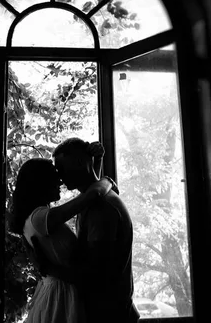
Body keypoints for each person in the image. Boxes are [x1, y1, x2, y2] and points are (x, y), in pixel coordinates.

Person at [10, 154, 114, 323]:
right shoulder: (40, 218)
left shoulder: (34, 218)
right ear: (41, 183)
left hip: (57, 292)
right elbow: (92, 194)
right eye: (54, 178)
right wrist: (108, 180)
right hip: (62, 296)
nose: (60, 182)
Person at [53, 137, 140, 323]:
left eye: (61, 168)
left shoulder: (101, 208)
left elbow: (94, 272)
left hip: (110, 315)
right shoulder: (93, 201)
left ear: (78, 162)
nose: (59, 176)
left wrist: (51, 268)